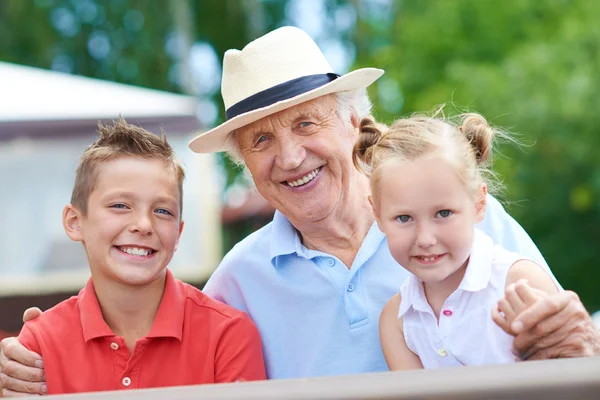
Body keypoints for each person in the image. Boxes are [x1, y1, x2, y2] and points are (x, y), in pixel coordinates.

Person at [1, 26, 598, 394]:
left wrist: (581, 346)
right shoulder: (238, 281)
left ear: (356, 125)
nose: (288, 157)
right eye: (260, 141)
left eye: (307, 123)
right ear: (248, 167)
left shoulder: (465, 223)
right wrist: (40, 349)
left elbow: (566, 345)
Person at [3, 120, 266, 395]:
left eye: (163, 211)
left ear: (178, 232)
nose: (143, 224)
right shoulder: (39, 343)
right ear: (74, 221)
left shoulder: (228, 336)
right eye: (120, 206)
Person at [353, 113, 561, 370]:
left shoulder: (519, 283)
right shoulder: (396, 322)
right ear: (378, 215)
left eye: (443, 214)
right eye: (404, 218)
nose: (425, 239)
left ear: (479, 203)